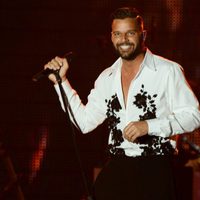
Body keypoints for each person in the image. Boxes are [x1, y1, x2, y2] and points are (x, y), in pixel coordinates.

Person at [44, 7, 200, 200]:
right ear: (111, 37)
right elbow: (84, 122)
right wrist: (62, 82)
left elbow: (193, 116)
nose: (123, 40)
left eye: (130, 33)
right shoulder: (106, 78)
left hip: (155, 170)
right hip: (117, 169)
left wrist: (148, 126)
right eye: (118, 34)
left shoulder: (167, 71)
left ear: (143, 35)